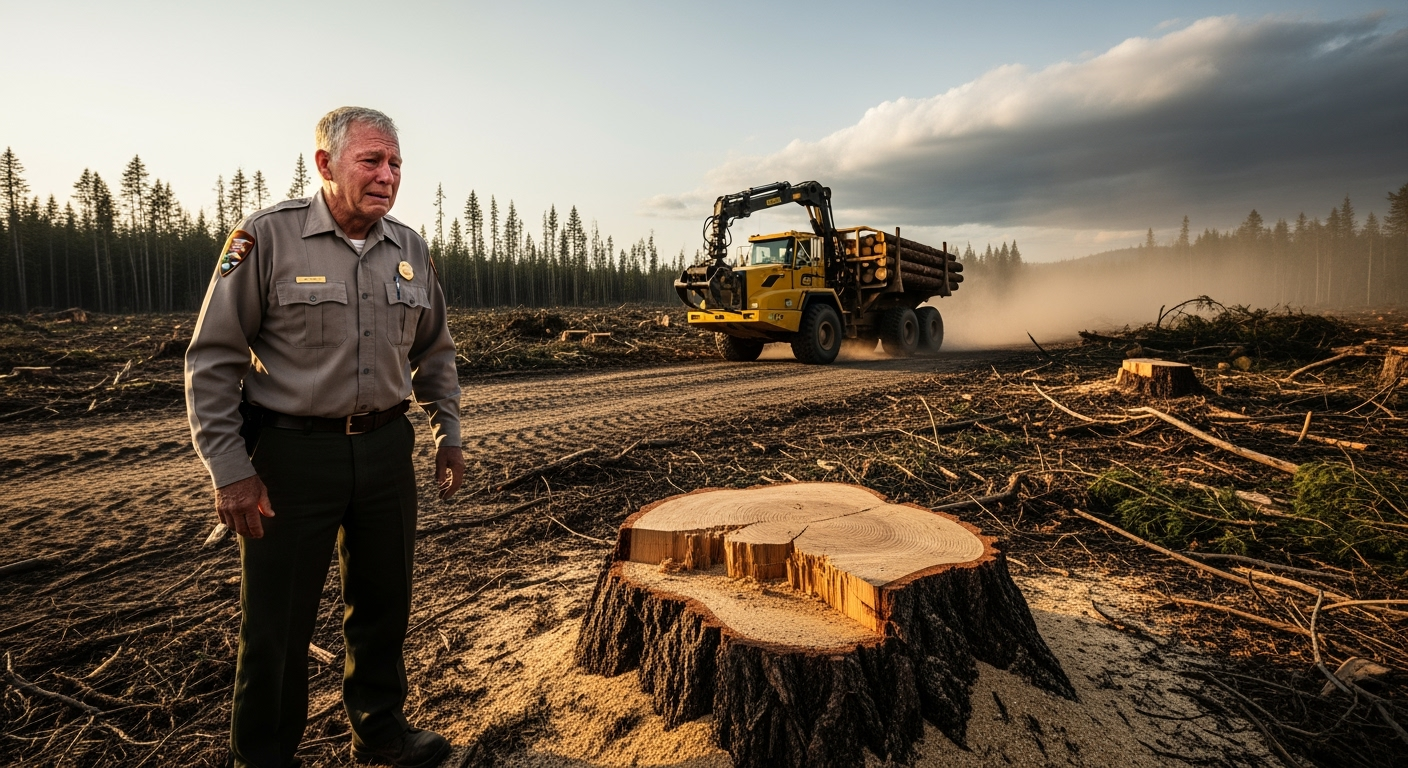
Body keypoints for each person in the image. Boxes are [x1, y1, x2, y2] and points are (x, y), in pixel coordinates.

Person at [185, 106, 463, 768]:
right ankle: (265, 756)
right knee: (276, 625)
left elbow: (437, 351)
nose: (388, 175)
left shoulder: (410, 248)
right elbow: (212, 359)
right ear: (325, 164)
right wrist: (230, 469)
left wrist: (446, 429)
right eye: (372, 160)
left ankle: (382, 736)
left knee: (384, 605)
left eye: (396, 163)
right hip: (290, 458)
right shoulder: (263, 238)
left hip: (386, 450)